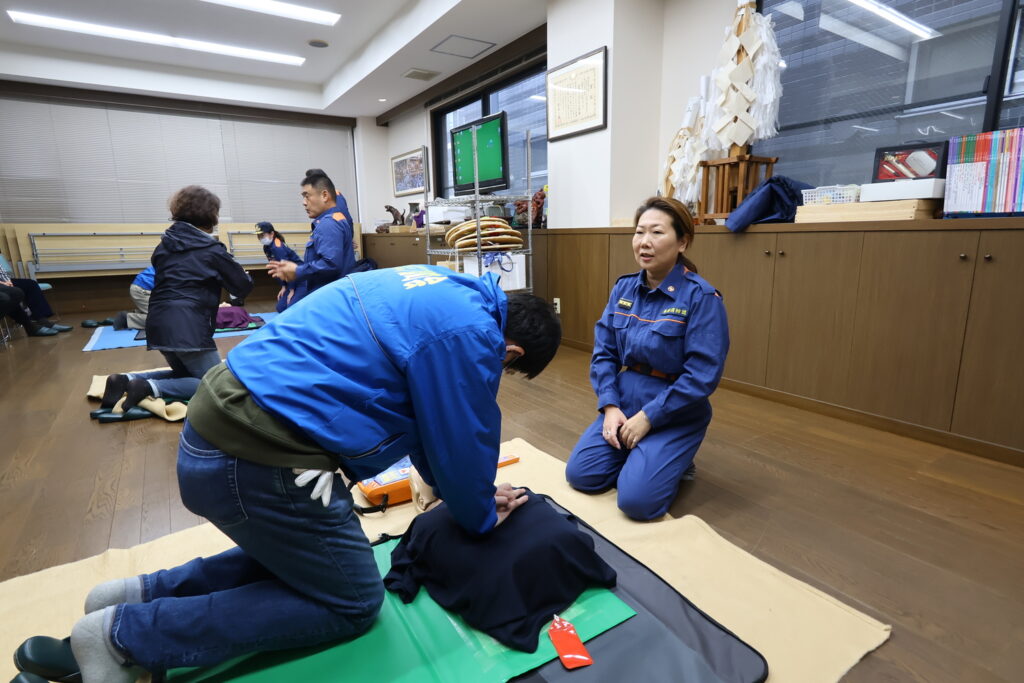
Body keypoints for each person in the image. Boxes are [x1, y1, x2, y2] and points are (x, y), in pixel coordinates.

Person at [68, 264, 561, 681]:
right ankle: (123, 637)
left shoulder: (439, 284)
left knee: (311, 553)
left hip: (218, 420)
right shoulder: (473, 335)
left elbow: (433, 429)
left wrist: (466, 495)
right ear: (512, 352)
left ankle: (140, 593)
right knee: (354, 599)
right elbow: (462, 434)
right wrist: (480, 513)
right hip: (257, 452)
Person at [565, 196, 729, 521]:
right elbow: (604, 354)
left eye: (657, 232)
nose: (644, 242)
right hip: (626, 398)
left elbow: (702, 375)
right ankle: (643, 456)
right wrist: (610, 407)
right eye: (639, 232)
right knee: (582, 475)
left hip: (676, 409)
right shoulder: (623, 289)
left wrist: (649, 417)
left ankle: (676, 458)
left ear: (682, 242)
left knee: (637, 503)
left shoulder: (702, 298)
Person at [98, 186, 253, 415]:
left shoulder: (164, 246)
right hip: (189, 328)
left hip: (157, 324)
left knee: (184, 375)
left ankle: (125, 380)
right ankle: (149, 387)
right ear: (210, 215)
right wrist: (242, 274)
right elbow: (242, 286)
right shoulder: (212, 250)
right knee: (217, 384)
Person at [265, 171, 355, 303]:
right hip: (332, 293)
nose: (304, 202)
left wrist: (297, 270)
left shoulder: (328, 224)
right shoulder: (336, 218)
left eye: (307, 196)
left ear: (324, 195)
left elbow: (331, 264)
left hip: (328, 297)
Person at [0, 264, 68, 336]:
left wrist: (7, 281)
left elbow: (1, 272)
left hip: (3, 282)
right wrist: (3, 283)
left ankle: (42, 320)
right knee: (14, 294)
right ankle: (29, 326)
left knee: (31, 284)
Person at [255, 221, 305, 312]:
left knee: (291, 310)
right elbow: (277, 269)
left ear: (272, 233)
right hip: (290, 280)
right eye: (258, 236)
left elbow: (287, 269)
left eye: (262, 235)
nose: (260, 238)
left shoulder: (277, 247)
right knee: (281, 308)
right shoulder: (267, 247)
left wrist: (291, 290)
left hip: (300, 279)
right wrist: (283, 286)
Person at [112, 266, 155, 331]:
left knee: (167, 315)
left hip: (144, 287)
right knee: (164, 319)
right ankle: (127, 319)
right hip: (143, 289)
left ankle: (139, 314)